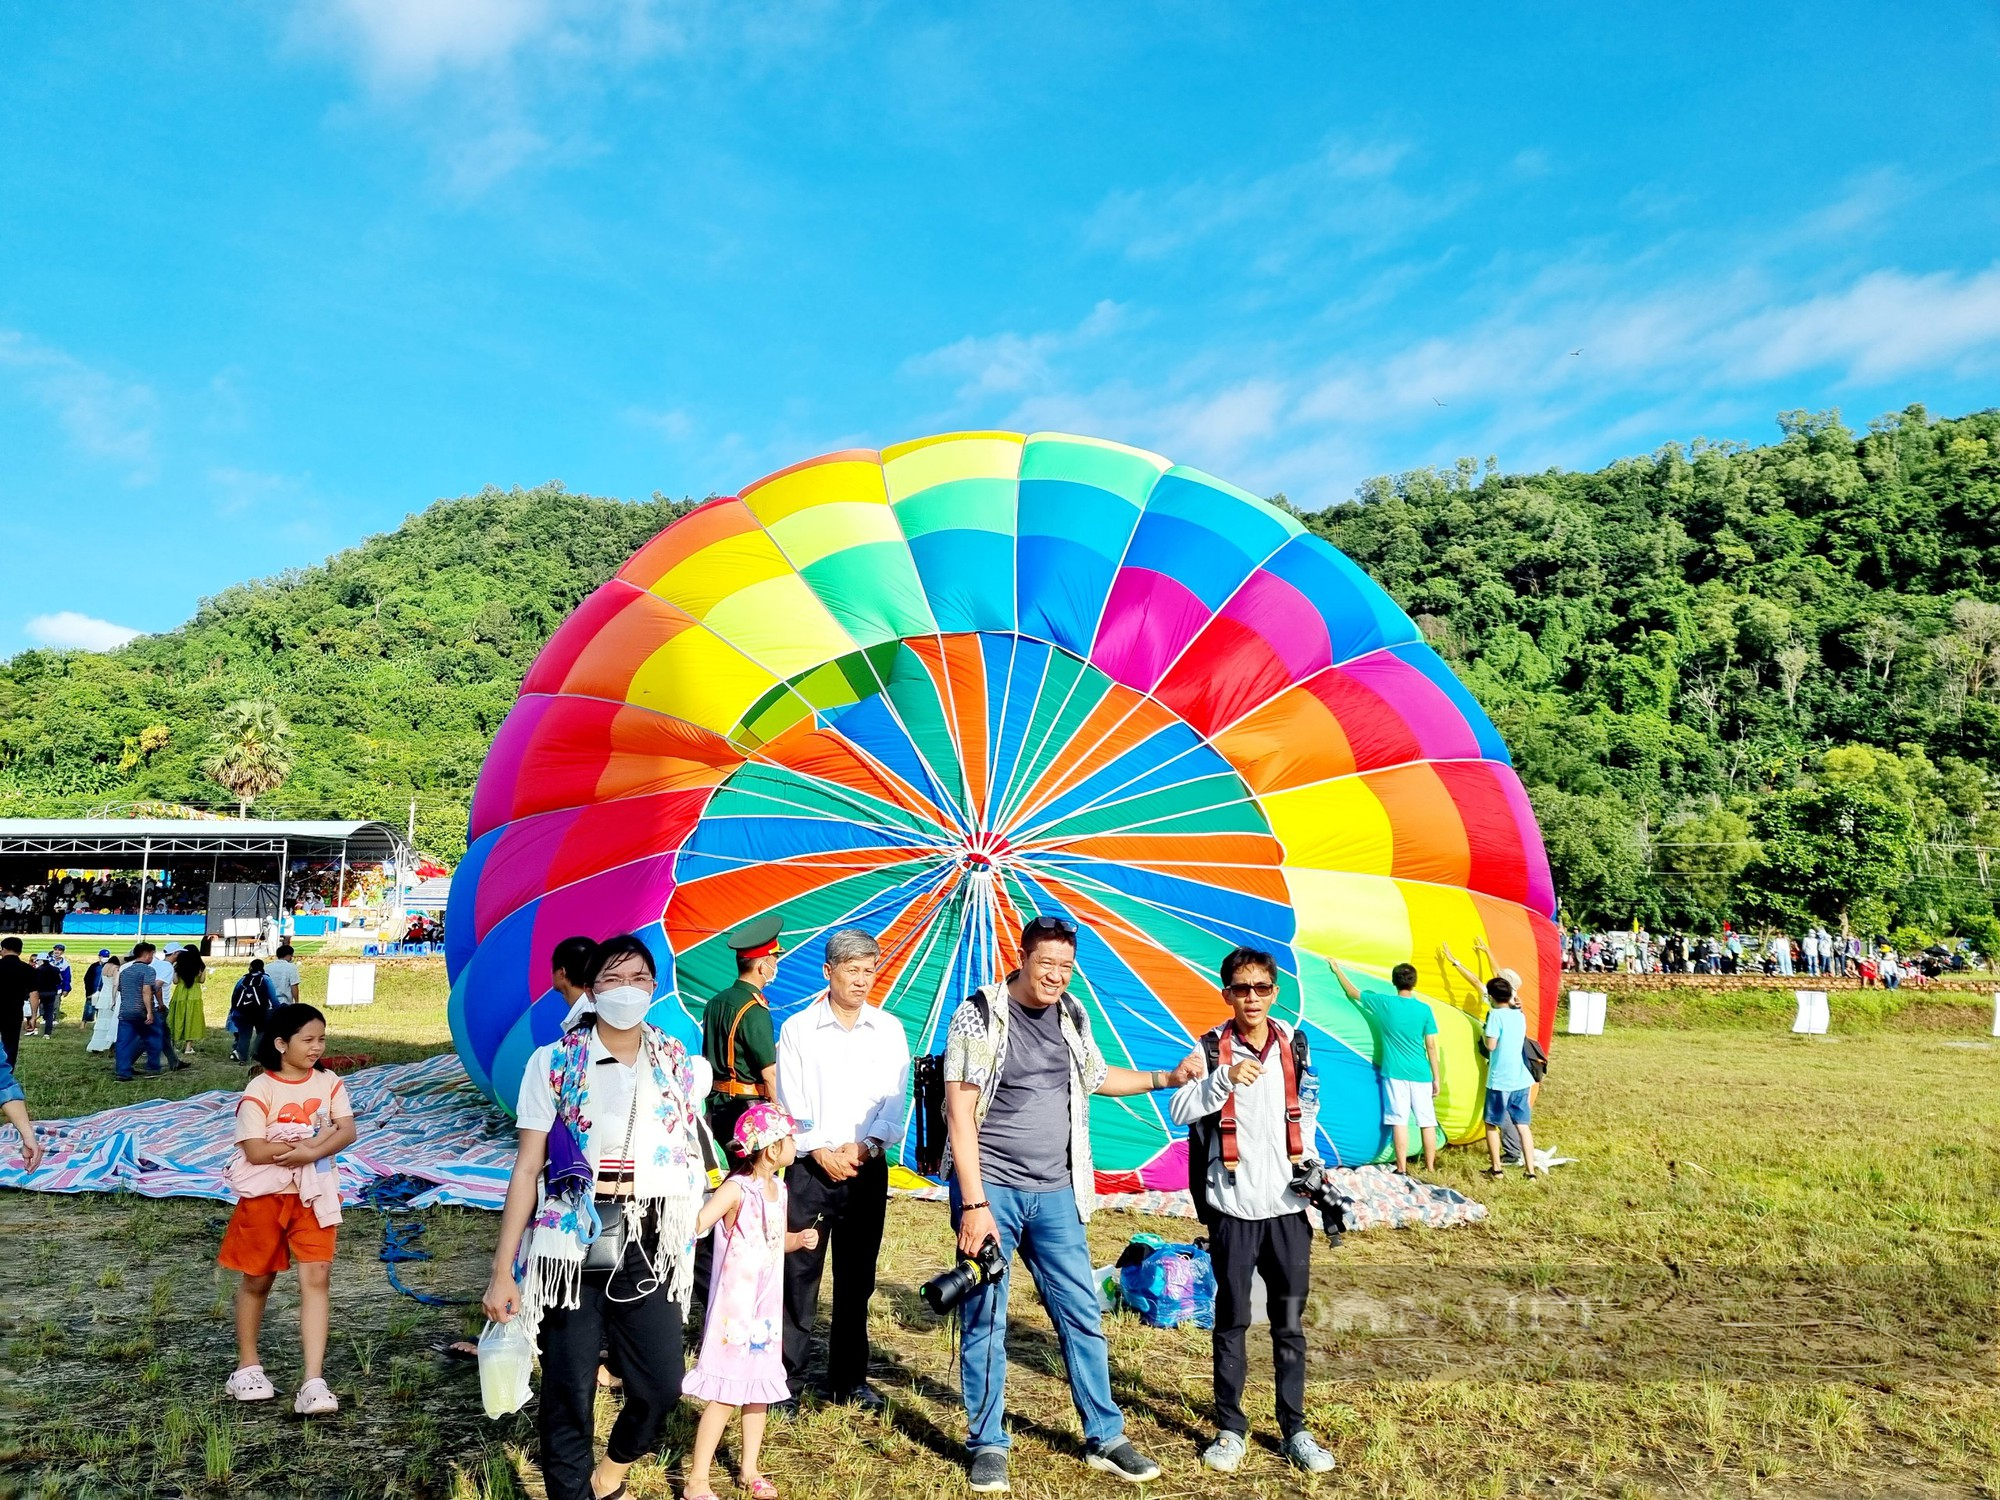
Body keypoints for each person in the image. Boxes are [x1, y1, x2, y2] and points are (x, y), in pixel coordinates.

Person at [943, 914, 1200, 1493]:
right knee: (986, 1316)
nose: (1056, 975)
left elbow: (1095, 1076)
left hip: (1057, 1190)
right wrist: (974, 1204)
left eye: (1065, 965)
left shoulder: (1072, 1013)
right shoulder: (979, 1015)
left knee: (1082, 1313)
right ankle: (987, 1443)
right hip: (993, 1192)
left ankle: (1105, 1436)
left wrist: (1166, 1077)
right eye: (1046, 963)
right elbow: (959, 1112)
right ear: (1023, 956)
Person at [483, 934, 710, 1500]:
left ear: (654, 989)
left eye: (639, 979)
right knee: (568, 1389)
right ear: (591, 989)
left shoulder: (677, 1063)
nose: (627, 990)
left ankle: (610, 1473)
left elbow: (692, 1149)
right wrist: (503, 1268)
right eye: (613, 979)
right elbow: (527, 1168)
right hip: (569, 1239)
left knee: (661, 1384)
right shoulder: (553, 1062)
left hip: (652, 1239)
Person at [1170, 947, 1338, 1475]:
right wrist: (1221, 1081)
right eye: (1241, 989)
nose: (1252, 998)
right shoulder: (1207, 1048)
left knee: (1289, 1324)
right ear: (1226, 994)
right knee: (1233, 1320)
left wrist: (1315, 1173)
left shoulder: (1298, 1046)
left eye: (1261, 988)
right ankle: (1230, 1428)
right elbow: (1178, 1109)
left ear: (1274, 992)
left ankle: (1295, 1428)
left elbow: (1306, 1116)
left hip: (1288, 1208)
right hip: (1232, 1207)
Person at [775, 927, 909, 1412]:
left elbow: (897, 1099)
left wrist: (870, 1144)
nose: (861, 980)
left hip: (866, 1167)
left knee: (858, 1277)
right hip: (811, 1170)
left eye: (869, 970)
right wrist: (818, 1150)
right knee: (798, 1274)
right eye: (851, 970)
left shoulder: (889, 1030)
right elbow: (790, 1101)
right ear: (828, 973)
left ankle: (848, 1379)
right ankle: (783, 1383)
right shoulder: (797, 1030)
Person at [219, 1003, 358, 1415]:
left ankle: (313, 1381)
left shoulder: (330, 1082)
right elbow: (255, 1149)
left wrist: (310, 1150)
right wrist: (309, 1147)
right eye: (308, 1040)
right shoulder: (260, 1089)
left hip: (314, 1196)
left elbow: (347, 1130)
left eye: (322, 1039)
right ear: (281, 1044)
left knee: (317, 1276)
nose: (317, 1047)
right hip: (264, 1200)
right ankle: (247, 1368)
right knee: (257, 1279)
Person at [682, 1103, 821, 1500]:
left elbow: (775, 1242)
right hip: (734, 1311)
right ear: (773, 1149)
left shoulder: (780, 1190)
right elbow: (698, 1223)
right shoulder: (735, 1189)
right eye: (791, 1138)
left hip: (764, 1312)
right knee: (725, 1392)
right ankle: (697, 1480)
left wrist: (799, 1240)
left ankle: (749, 1468)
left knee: (758, 1389)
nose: (796, 1143)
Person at [1332, 957, 1441, 1173]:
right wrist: (1436, 1077)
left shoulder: (1384, 1003)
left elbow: (1353, 993)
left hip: (1395, 1073)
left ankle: (1401, 1168)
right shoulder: (1424, 1009)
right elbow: (1431, 1046)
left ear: (1394, 981)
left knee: (1398, 1120)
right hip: (1421, 1073)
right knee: (1427, 1121)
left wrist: (1336, 970)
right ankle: (1430, 1167)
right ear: (1414, 982)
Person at [702, 915, 783, 1153]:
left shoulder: (715, 1002)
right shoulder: (754, 1008)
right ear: (762, 965)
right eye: (774, 959)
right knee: (753, 1181)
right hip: (746, 1111)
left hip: (716, 1106)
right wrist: (781, 1115)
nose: (775, 966)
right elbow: (769, 1073)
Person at [1481, 976, 1539, 1180]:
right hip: (1521, 1077)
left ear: (1491, 996)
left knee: (1491, 1123)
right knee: (1523, 1125)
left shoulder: (1495, 1015)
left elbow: (1491, 1046)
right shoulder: (1519, 1015)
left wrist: (1483, 1033)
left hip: (1500, 1079)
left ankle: (1496, 1169)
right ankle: (1530, 1171)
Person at [115, 942, 169, 1080]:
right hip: (141, 1011)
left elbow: (121, 989)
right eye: (152, 954)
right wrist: (150, 1011)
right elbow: (147, 990)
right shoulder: (148, 970)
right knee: (154, 1036)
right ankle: (152, 1066)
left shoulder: (125, 971)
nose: (153, 957)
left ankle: (123, 1071)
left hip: (125, 1011)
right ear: (146, 954)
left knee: (123, 1042)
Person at [228, 960, 276, 1064]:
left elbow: (235, 995)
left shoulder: (243, 979)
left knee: (245, 1034)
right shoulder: (266, 978)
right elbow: (273, 997)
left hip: (243, 1011)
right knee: (262, 1031)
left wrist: (233, 1010)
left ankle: (242, 1057)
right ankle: (256, 1053)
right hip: (260, 1011)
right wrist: (278, 1008)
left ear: (250, 967)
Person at [169, 946, 208, 1054]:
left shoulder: (177, 966)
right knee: (192, 1019)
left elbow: (175, 981)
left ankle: (173, 1045)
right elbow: (202, 980)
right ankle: (188, 1047)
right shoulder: (201, 966)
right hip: (194, 994)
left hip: (180, 993)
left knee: (177, 1018)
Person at [0, 937, 30, 1067]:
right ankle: (8, 1070)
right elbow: (34, 994)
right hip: (14, 1011)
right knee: (11, 1043)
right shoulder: (27, 969)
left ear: (4, 949)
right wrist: (33, 1016)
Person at [87, 956, 123, 1054]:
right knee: (110, 1021)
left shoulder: (105, 967)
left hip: (103, 994)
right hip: (111, 995)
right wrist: (115, 998)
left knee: (101, 1020)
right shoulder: (116, 969)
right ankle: (107, 1045)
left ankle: (96, 1044)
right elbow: (115, 984)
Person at [31, 946, 65, 1038]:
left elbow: (34, 983)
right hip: (51, 993)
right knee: (49, 1013)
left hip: (40, 993)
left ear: (41, 960)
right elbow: (59, 981)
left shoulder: (37, 971)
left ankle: (32, 1028)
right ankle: (47, 1033)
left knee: (35, 1011)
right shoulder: (55, 969)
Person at [82, 948, 110, 1026]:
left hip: (104, 991)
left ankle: (100, 1023)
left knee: (102, 1009)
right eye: (103, 956)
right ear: (99, 957)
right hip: (93, 991)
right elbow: (87, 979)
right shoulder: (94, 966)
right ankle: (84, 1023)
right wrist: (89, 991)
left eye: (107, 956)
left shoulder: (110, 967)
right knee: (89, 1008)